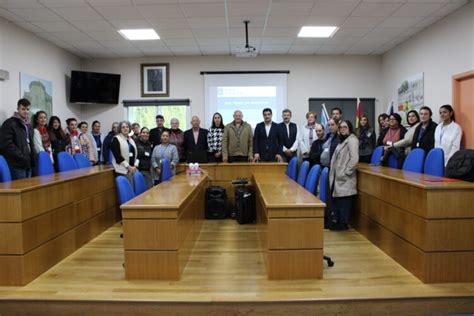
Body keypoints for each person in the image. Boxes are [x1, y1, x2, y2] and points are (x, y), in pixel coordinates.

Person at [328, 120, 359, 231]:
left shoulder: (352, 140)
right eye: (340, 127)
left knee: (345, 201)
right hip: (339, 176)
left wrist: (346, 172)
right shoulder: (343, 140)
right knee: (339, 201)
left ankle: (343, 223)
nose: (342, 129)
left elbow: (354, 159)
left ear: (349, 128)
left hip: (345, 177)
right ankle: (338, 221)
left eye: (345, 127)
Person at [0, 98, 36, 179]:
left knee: (29, 188)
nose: (25, 111)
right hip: (17, 164)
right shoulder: (9, 123)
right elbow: (7, 145)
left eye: (27, 109)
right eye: (23, 109)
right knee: (21, 188)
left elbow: (31, 143)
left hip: (28, 162)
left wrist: (33, 158)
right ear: (18, 109)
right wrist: (21, 156)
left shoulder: (29, 125)